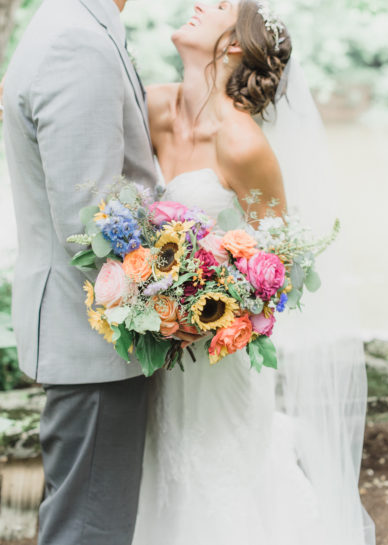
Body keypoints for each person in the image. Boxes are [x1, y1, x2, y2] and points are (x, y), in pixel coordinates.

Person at [132, 1, 375, 544]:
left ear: (235, 44)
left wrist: (212, 308)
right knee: (161, 472)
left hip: (219, 355)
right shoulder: (153, 107)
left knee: (221, 481)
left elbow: (278, 268)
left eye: (218, 5)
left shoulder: (241, 143)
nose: (198, 3)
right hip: (158, 348)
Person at [0, 0, 190, 544]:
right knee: (89, 530)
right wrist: (178, 288)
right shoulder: (74, 41)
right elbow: (91, 224)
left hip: (90, 335)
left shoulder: (72, 24)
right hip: (96, 341)